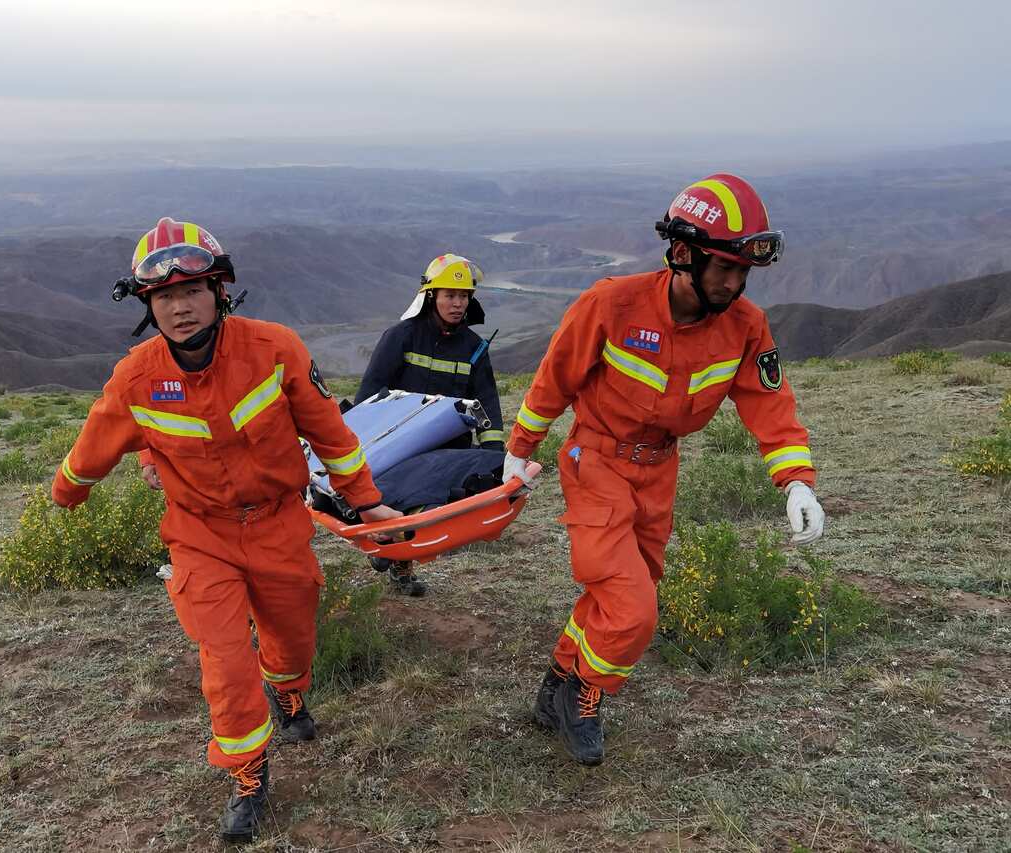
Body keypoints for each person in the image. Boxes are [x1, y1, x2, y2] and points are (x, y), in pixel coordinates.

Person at [51, 217, 401, 842]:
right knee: (225, 659)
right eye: (163, 297)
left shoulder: (275, 348)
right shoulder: (136, 378)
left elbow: (329, 432)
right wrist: (67, 493)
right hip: (199, 536)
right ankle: (247, 770)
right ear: (147, 306)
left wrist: (366, 503)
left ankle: (289, 693)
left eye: (192, 292)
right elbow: (92, 447)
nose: (179, 307)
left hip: (279, 524)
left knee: (291, 639)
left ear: (220, 293)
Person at [502, 174, 826, 765]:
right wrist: (519, 450)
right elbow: (555, 378)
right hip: (594, 460)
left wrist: (796, 480)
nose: (734, 283)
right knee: (633, 610)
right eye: (723, 267)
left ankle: (555, 684)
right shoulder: (611, 304)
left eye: (742, 271)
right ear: (683, 254)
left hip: (659, 472)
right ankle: (585, 697)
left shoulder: (746, 325)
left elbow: (768, 404)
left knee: (621, 593)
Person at [353, 253, 505, 595]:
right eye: (450, 295)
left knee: (428, 509)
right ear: (431, 295)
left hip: (449, 448)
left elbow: (488, 402)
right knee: (397, 503)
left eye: (464, 296)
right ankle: (391, 554)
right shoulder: (401, 337)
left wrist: (494, 453)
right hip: (398, 443)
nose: (457, 303)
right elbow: (369, 396)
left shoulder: (474, 348)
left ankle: (400, 562)